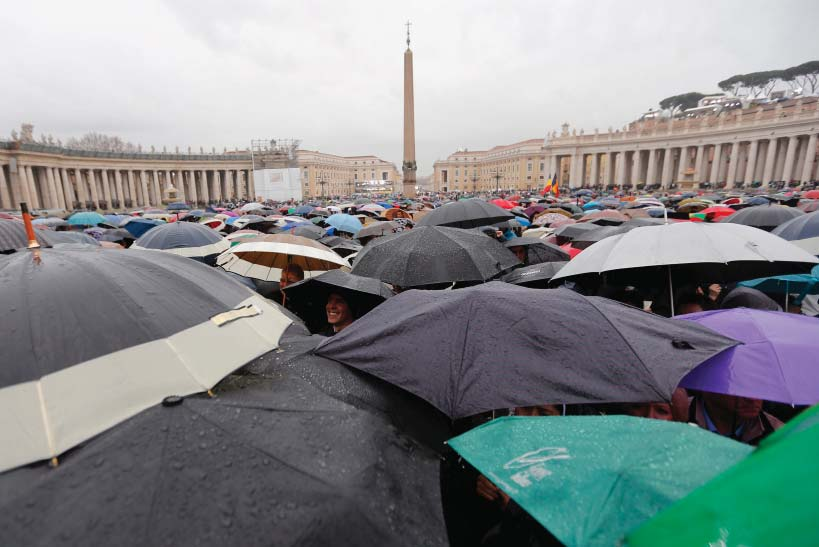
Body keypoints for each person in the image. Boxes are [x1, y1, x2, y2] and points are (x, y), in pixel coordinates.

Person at [689, 391, 783, 445]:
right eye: (739, 387)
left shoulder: (780, 435)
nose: (752, 399)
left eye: (759, 385)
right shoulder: (677, 416)